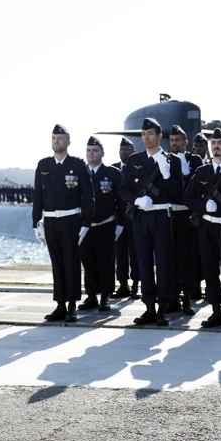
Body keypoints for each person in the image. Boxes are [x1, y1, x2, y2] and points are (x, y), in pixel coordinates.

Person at [118, 117, 184, 326]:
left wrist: (166, 175)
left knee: (164, 262)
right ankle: (148, 307)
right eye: (143, 134)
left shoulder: (172, 161)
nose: (146, 138)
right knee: (143, 262)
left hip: (162, 216)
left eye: (150, 134)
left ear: (159, 136)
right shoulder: (134, 160)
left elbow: (177, 194)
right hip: (140, 217)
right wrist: (137, 200)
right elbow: (123, 189)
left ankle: (163, 308)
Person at [32, 124, 94, 323]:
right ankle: (60, 304)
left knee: (71, 263)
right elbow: (38, 196)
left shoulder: (77, 165)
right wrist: (36, 222)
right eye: (53, 138)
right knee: (57, 263)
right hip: (51, 221)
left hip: (71, 220)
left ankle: (72, 305)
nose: (56, 141)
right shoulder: (43, 166)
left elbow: (88, 196)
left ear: (68, 141)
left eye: (60, 138)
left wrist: (86, 223)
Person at [183, 128, 221, 329]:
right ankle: (216, 311)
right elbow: (188, 198)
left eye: (220, 143)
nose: (216, 146)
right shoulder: (202, 172)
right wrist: (203, 206)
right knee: (210, 270)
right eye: (213, 143)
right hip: (207, 227)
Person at [79, 136, 124, 312]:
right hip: (85, 227)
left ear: (102, 153)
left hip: (106, 225)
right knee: (88, 262)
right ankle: (91, 295)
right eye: (89, 150)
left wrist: (120, 224)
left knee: (105, 262)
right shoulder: (80, 173)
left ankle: (105, 296)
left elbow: (121, 202)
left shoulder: (113, 174)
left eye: (95, 150)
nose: (91, 153)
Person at [168, 125, 204, 315]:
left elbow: (196, 187)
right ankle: (172, 297)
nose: (174, 144)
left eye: (178, 140)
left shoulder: (195, 160)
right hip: (169, 214)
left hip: (186, 215)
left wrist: (185, 172)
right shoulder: (164, 160)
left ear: (186, 142)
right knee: (170, 258)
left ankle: (187, 298)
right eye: (172, 140)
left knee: (186, 258)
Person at [112, 137, 140, 300]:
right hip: (118, 220)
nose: (125, 152)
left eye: (128, 149)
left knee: (136, 253)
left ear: (134, 151)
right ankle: (123, 284)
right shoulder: (114, 169)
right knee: (120, 253)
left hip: (135, 218)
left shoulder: (138, 169)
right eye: (122, 149)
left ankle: (136, 284)